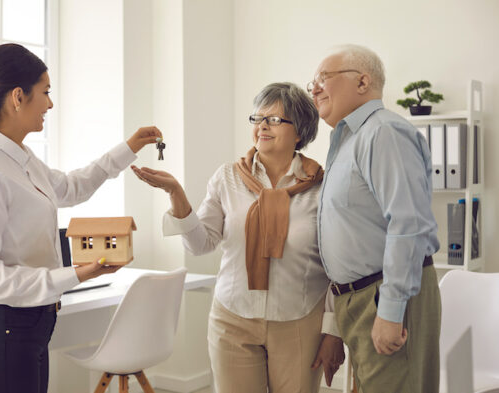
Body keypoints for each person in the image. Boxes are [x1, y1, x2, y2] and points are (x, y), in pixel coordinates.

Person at [0, 43, 162, 393]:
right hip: (2, 334)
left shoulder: (20, 160)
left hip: (30, 328)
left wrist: (128, 147)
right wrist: (73, 274)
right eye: (45, 92)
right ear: (17, 97)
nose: (50, 104)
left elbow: (73, 187)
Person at [132, 82, 344, 393]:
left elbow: (337, 265)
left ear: (299, 131)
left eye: (274, 119)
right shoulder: (227, 178)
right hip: (232, 319)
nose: (262, 127)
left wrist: (333, 331)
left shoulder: (321, 186)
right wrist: (176, 195)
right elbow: (199, 244)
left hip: (299, 320)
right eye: (257, 118)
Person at [308, 44, 441, 393]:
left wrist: (392, 310)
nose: (314, 88)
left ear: (363, 82)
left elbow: (408, 224)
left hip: (386, 294)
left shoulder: (383, 132)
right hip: (361, 298)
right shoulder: (350, 140)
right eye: (313, 82)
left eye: (324, 78)